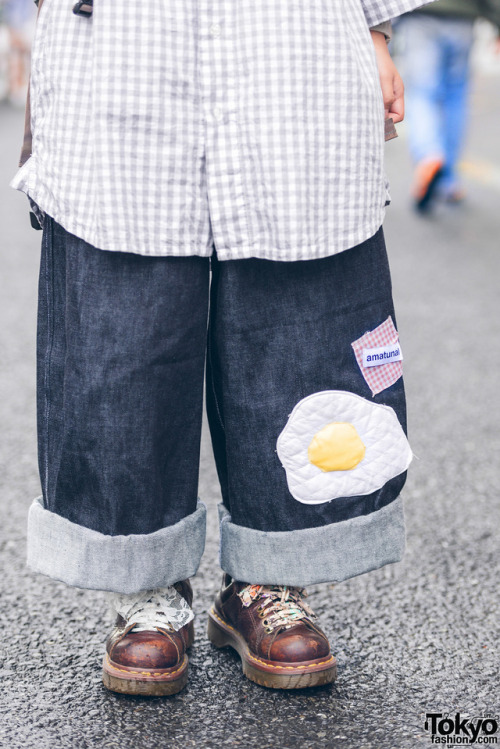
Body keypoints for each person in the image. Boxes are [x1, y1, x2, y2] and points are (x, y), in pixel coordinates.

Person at [11, 0, 431, 697]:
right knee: (126, 331)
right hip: (123, 44)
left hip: (293, 45)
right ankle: (146, 584)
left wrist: (376, 28)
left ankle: (269, 578)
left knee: (299, 316)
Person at [396, 0, 500, 211]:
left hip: (421, 13)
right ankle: (448, 181)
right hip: (464, 16)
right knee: (456, 96)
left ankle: (429, 156)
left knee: (423, 93)